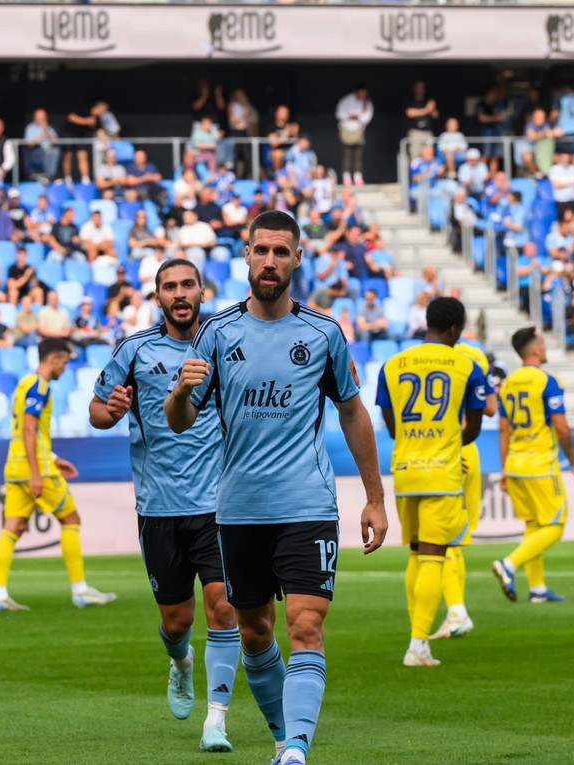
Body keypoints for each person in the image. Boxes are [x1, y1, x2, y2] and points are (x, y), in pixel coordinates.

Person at [164, 210, 387, 765]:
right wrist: (176, 393)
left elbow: (354, 413)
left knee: (306, 625)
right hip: (238, 509)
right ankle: (285, 734)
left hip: (307, 504)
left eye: (280, 252)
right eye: (261, 251)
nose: (270, 261)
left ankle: (295, 750)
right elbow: (181, 420)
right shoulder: (216, 333)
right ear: (246, 255)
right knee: (255, 632)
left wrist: (375, 498)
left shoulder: (323, 333)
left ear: (297, 259)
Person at [88, 258, 238, 753]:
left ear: (201, 291)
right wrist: (109, 412)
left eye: (187, 285)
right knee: (178, 622)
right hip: (158, 508)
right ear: (158, 298)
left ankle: (215, 719)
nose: (179, 293)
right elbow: (97, 409)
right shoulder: (133, 350)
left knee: (223, 607)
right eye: (169, 286)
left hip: (218, 505)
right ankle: (180, 664)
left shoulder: (224, 343)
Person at [375, 297, 487, 668]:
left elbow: (390, 424)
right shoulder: (466, 365)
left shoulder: (393, 364)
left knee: (414, 552)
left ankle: (416, 637)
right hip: (442, 472)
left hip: (405, 469)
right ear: (455, 329)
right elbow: (474, 425)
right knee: (435, 556)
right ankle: (418, 643)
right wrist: (454, 441)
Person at [0, 337, 117, 612]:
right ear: (54, 357)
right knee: (71, 520)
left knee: (13, 527)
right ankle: (80, 590)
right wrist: (38, 473)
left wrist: (55, 459)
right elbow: (28, 429)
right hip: (35, 469)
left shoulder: (24, 383)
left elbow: (28, 433)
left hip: (14, 466)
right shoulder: (40, 386)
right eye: (65, 361)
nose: (65, 367)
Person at [493, 328, 574, 604]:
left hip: (516, 464)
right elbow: (562, 428)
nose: (545, 348)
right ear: (534, 349)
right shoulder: (547, 381)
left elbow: (503, 430)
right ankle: (509, 564)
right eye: (543, 343)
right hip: (540, 464)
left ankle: (538, 589)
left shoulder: (508, 384)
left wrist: (504, 469)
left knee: (533, 525)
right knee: (555, 525)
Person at [428, 341, 498, 641]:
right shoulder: (475, 356)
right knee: (453, 539)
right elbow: (492, 408)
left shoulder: (431, 360)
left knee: (440, 538)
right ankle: (456, 611)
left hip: (447, 450)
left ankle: (457, 612)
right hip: (471, 450)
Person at [335, 85, 373, 186]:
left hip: (358, 132)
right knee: (347, 155)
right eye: (362, 93)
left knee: (358, 156)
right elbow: (339, 114)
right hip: (346, 131)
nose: (363, 95)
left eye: (365, 93)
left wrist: (359, 117)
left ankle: (358, 178)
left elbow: (367, 117)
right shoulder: (346, 100)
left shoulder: (367, 103)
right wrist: (349, 116)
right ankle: (346, 178)